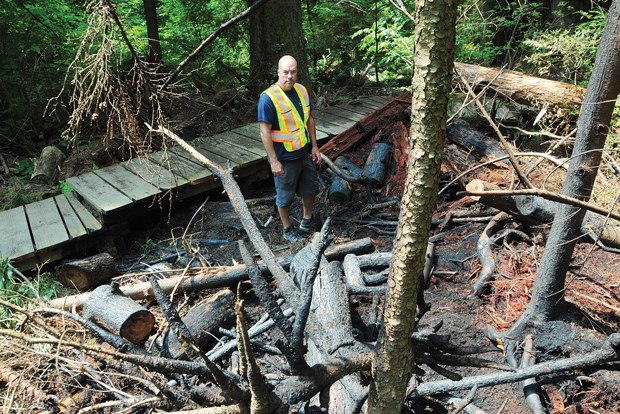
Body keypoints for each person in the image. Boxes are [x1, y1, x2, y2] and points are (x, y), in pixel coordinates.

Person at [258, 55, 322, 243]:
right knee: (285, 197)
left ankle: (307, 220)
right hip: (284, 158)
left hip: (303, 152)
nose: (289, 76)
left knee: (310, 188)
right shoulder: (268, 98)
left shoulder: (302, 90)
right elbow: (264, 132)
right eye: (285, 72)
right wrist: (273, 161)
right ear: (278, 72)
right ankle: (287, 228)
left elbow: (309, 119)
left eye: (293, 71)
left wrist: (315, 147)